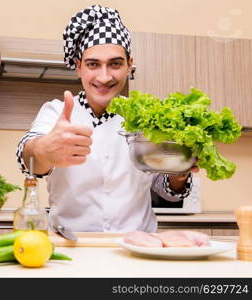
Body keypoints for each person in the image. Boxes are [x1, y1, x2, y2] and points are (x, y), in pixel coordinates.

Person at [15, 5, 198, 233]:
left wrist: (178, 173)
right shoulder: (56, 112)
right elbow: (28, 160)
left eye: (115, 63)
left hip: (136, 247)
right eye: (93, 64)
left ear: (129, 64)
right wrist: (44, 149)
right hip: (72, 247)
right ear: (79, 66)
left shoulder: (147, 117)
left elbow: (164, 188)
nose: (104, 76)